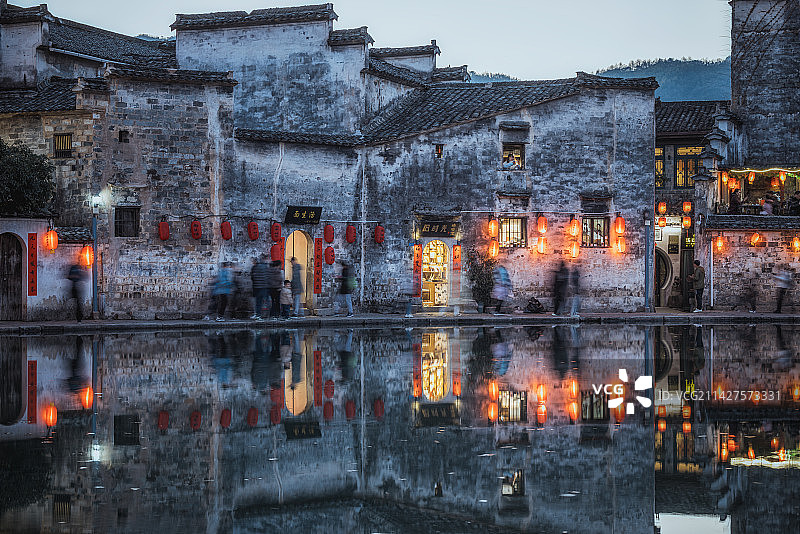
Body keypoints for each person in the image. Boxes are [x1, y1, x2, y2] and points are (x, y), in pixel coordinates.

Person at [250, 254, 269, 319]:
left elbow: (252, 277)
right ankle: (265, 315)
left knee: (258, 302)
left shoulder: (255, 267)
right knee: (265, 301)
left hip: (257, 287)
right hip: (264, 287)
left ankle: (258, 314)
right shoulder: (266, 267)